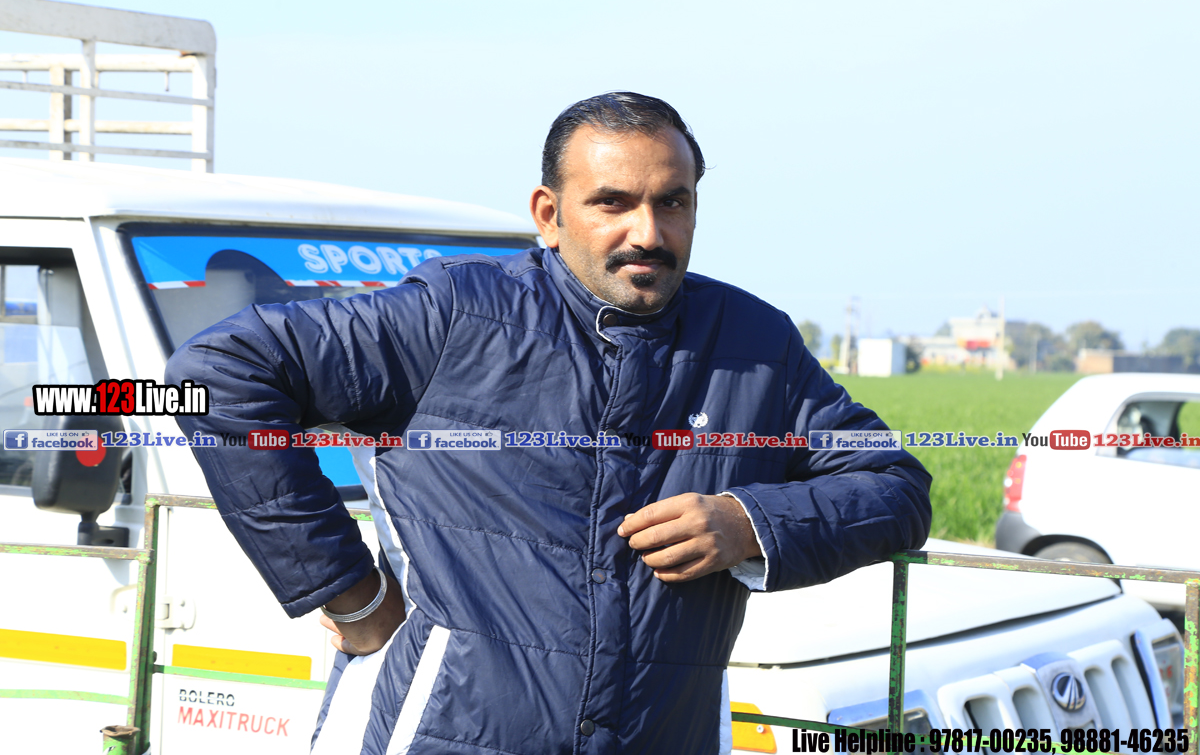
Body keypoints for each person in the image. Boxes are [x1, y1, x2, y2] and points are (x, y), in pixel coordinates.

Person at [166, 92, 931, 755]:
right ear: (549, 215)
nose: (649, 232)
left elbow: (894, 485)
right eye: (613, 203)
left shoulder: (754, 345)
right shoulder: (456, 317)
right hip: (438, 732)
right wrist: (349, 595)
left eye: (672, 202)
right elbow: (220, 371)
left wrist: (748, 523)